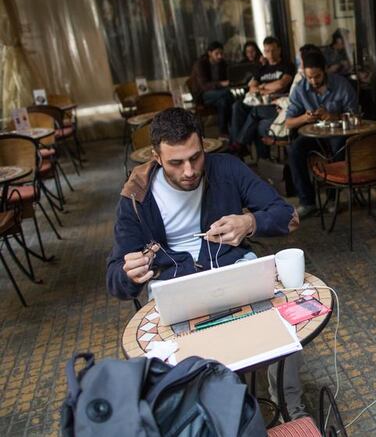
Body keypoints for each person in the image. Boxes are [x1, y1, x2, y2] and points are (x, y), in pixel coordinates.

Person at [105, 107, 309, 419]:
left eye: (196, 157)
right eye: (176, 162)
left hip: (234, 267)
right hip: (175, 286)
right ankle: (210, 416)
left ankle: (289, 404)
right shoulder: (136, 197)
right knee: (181, 360)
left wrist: (249, 221)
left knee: (285, 319)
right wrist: (127, 274)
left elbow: (285, 215)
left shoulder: (226, 169)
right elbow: (115, 280)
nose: (189, 171)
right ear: (156, 157)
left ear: (204, 146)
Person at [285, 50, 358, 218]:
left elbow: (355, 117)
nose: (313, 81)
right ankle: (307, 201)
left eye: (317, 76)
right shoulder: (300, 88)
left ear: (325, 70)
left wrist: (333, 116)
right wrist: (305, 117)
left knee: (338, 147)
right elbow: (289, 122)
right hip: (313, 135)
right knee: (295, 150)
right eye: (309, 77)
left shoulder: (341, 84)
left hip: (338, 133)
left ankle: (334, 198)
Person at [229, 37, 297, 155]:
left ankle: (239, 145)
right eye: (267, 51)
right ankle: (238, 144)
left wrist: (262, 87)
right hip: (259, 101)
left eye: (273, 50)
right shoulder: (261, 68)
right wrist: (266, 89)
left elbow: (281, 84)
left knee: (255, 115)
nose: (270, 54)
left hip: (276, 103)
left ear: (279, 50)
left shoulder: (287, 65)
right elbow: (252, 87)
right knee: (237, 106)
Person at [188, 41, 233, 136]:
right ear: (209, 53)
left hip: (218, 94)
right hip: (202, 95)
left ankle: (223, 132)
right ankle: (232, 127)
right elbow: (204, 86)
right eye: (217, 53)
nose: (220, 56)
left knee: (224, 102)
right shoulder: (200, 64)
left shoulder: (222, 63)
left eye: (221, 53)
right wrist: (221, 84)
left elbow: (229, 75)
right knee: (228, 94)